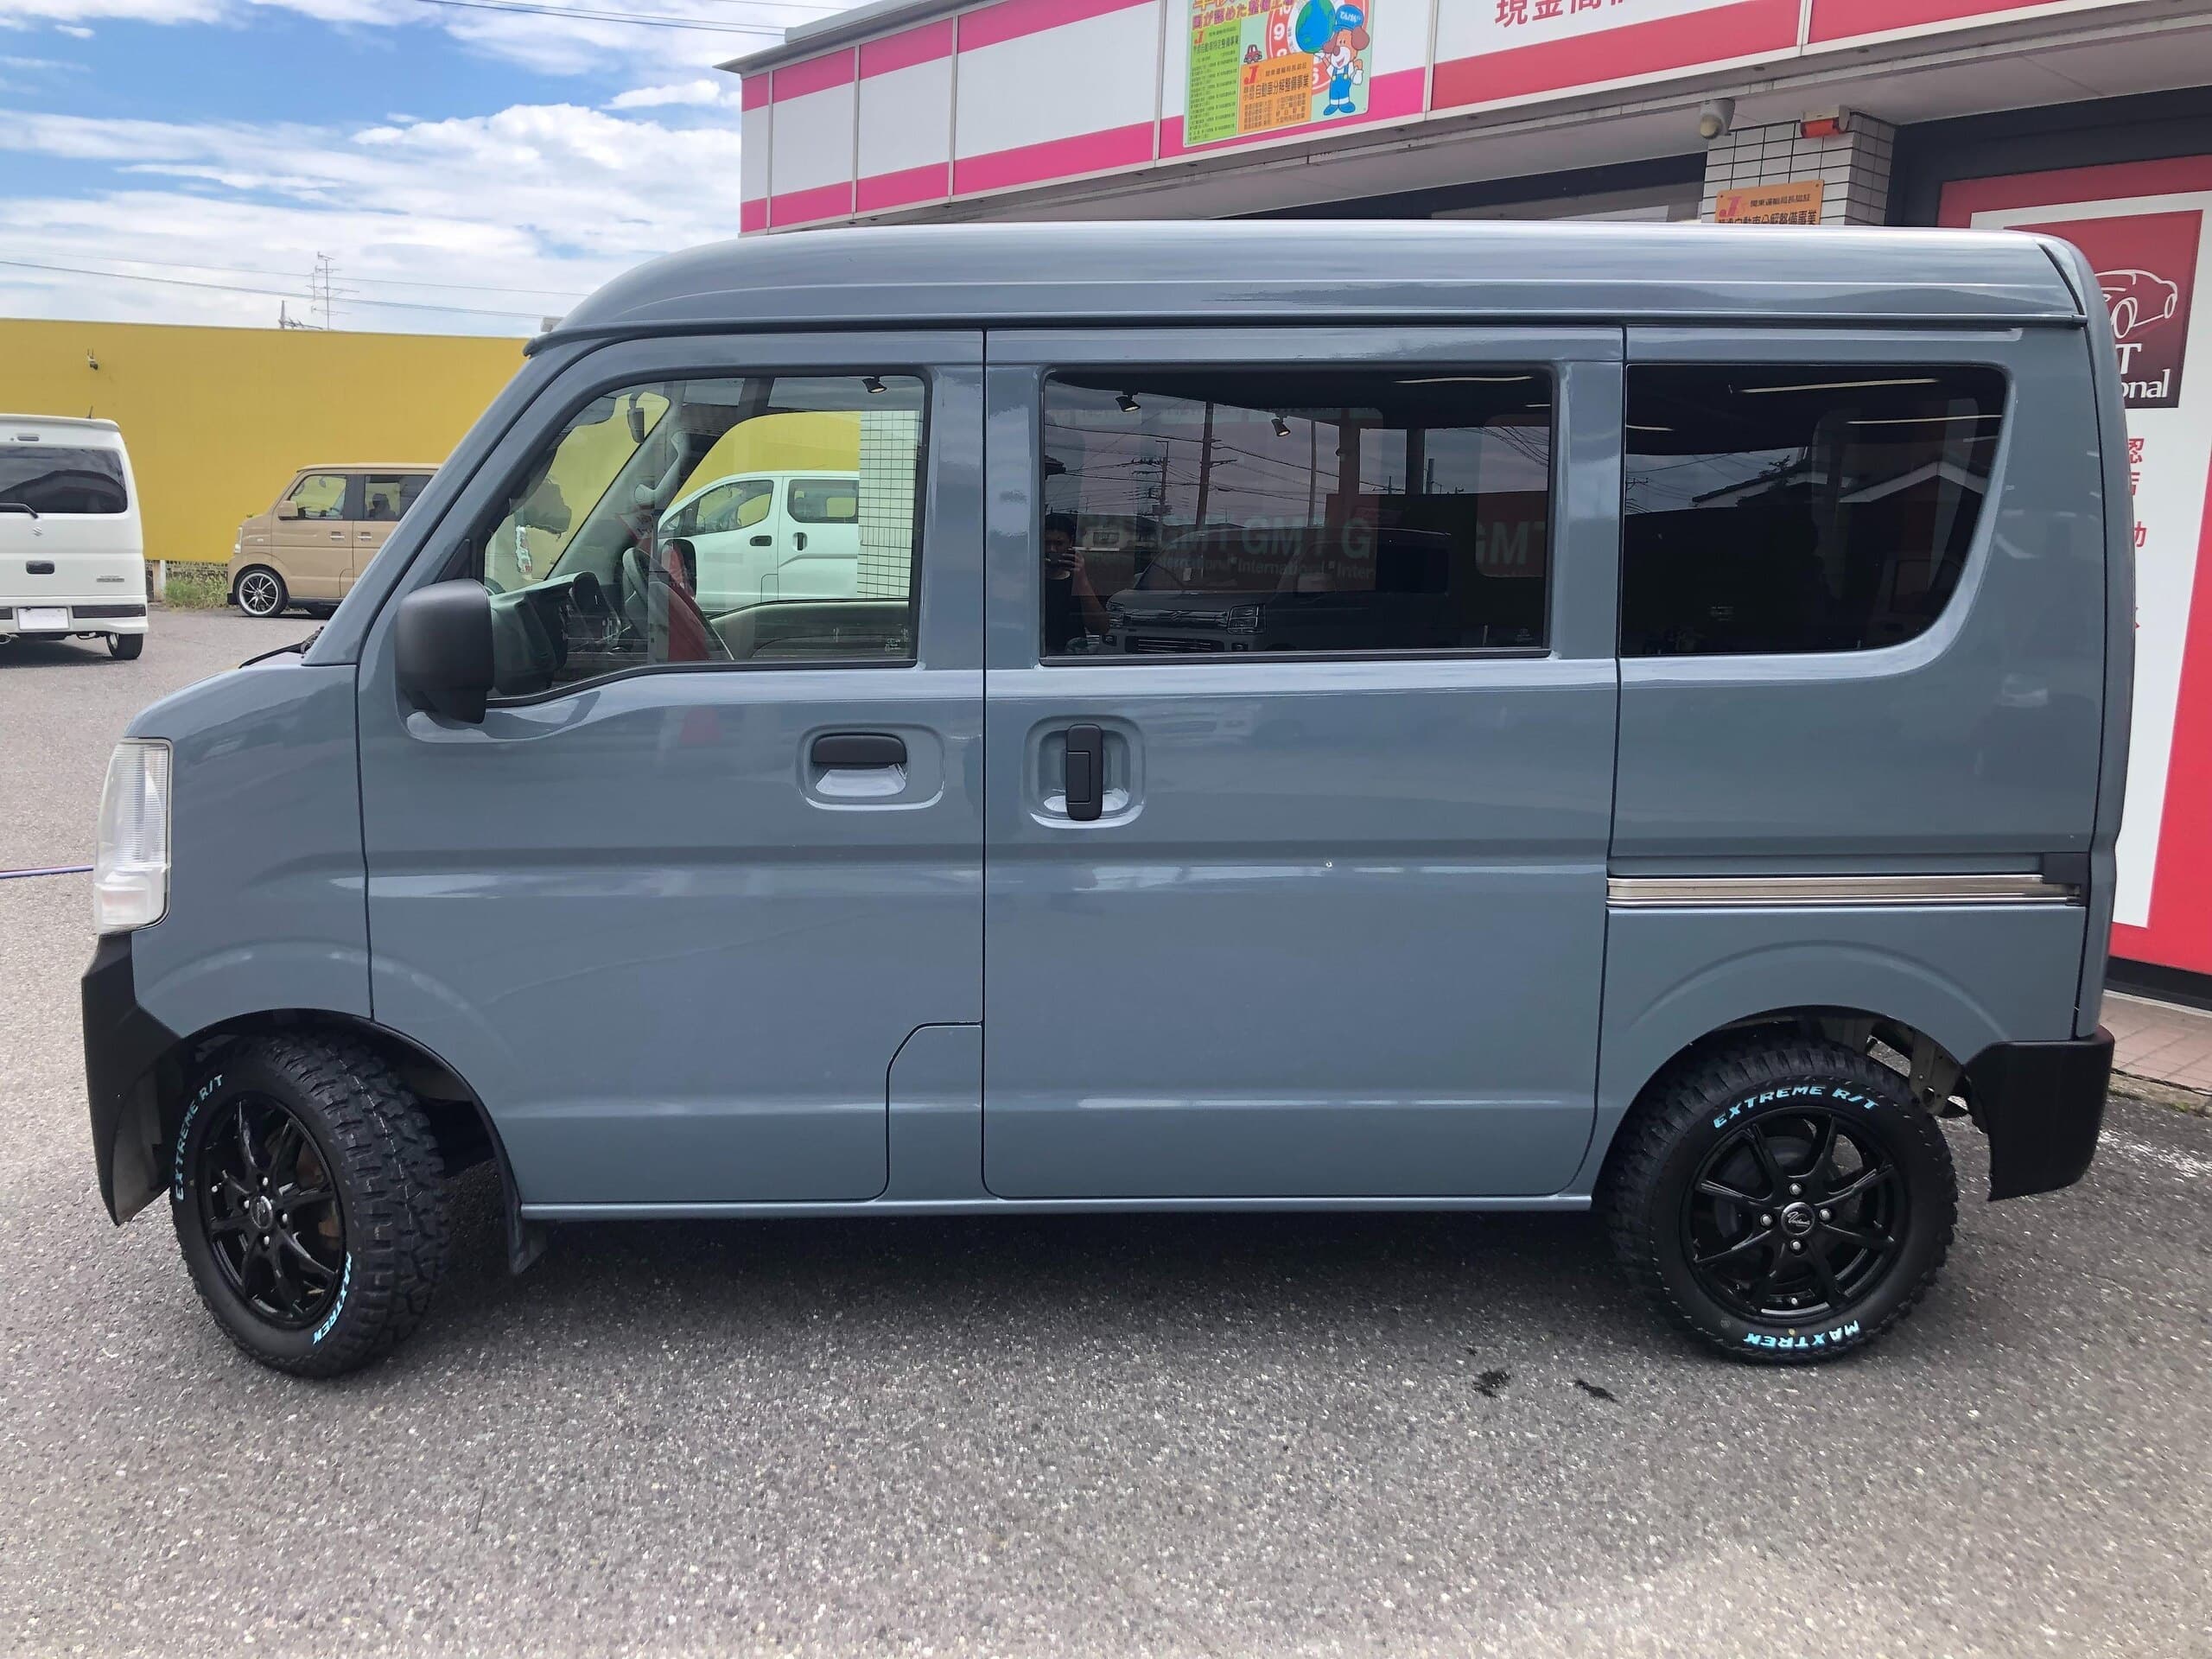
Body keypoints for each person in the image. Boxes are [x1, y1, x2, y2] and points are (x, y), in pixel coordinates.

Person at [1040, 512, 1109, 653]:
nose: (1051, 550)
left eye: (1059, 543)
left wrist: (1081, 579)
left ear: (1070, 543)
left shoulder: (1080, 581)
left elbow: (1100, 628)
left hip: (1071, 658)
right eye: (1046, 543)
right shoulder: (1030, 580)